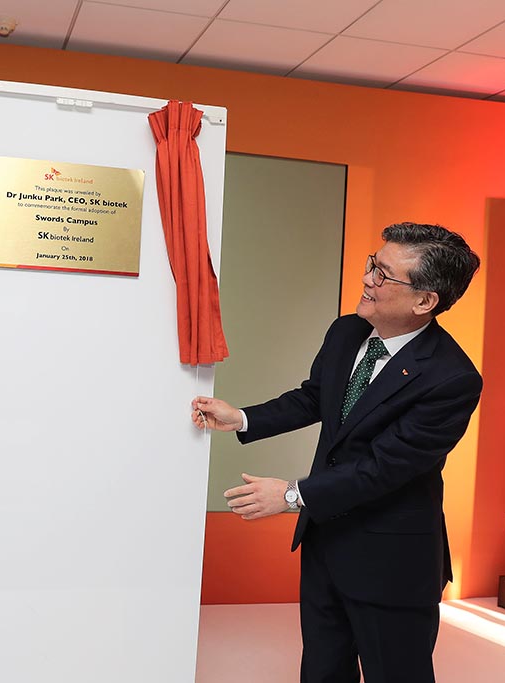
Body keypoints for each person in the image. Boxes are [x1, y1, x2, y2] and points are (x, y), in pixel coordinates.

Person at [192, 223, 482, 683]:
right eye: (372, 264)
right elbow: (315, 396)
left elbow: (383, 467)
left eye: (383, 274)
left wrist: (291, 495)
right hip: (326, 545)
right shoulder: (347, 331)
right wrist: (243, 418)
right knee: (322, 671)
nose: (367, 279)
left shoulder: (451, 378)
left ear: (424, 301)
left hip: (392, 562)